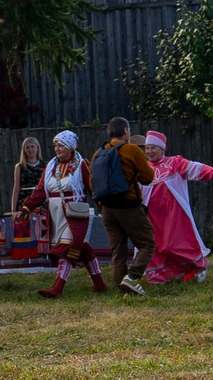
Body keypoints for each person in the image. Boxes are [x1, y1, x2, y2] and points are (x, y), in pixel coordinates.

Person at [139, 131, 213, 285]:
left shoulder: (174, 163)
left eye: (153, 148)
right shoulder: (143, 169)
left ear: (163, 149)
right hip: (153, 216)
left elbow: (194, 168)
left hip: (174, 214)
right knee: (155, 247)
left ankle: (200, 265)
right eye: (147, 148)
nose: (149, 151)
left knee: (173, 245)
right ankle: (161, 276)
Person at [30, 130, 103, 298]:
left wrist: (104, 206)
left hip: (75, 213)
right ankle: (99, 283)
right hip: (55, 214)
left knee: (68, 246)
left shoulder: (81, 165)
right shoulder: (51, 166)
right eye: (55, 145)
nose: (57, 148)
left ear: (70, 146)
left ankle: (58, 287)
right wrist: (26, 208)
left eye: (61, 145)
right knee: (81, 247)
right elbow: (41, 190)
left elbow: (93, 188)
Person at [89, 118, 155, 295]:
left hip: (107, 209)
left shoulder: (98, 153)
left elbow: (92, 183)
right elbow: (148, 178)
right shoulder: (131, 150)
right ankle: (132, 277)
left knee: (118, 250)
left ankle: (123, 288)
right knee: (147, 244)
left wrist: (102, 205)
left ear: (109, 132)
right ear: (126, 130)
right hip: (129, 206)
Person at [10, 135, 45, 214]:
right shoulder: (19, 167)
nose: (30, 150)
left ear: (37, 148)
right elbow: (16, 189)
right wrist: (13, 210)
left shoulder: (45, 166)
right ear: (24, 150)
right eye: (27, 147)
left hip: (40, 202)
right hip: (24, 202)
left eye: (32, 146)